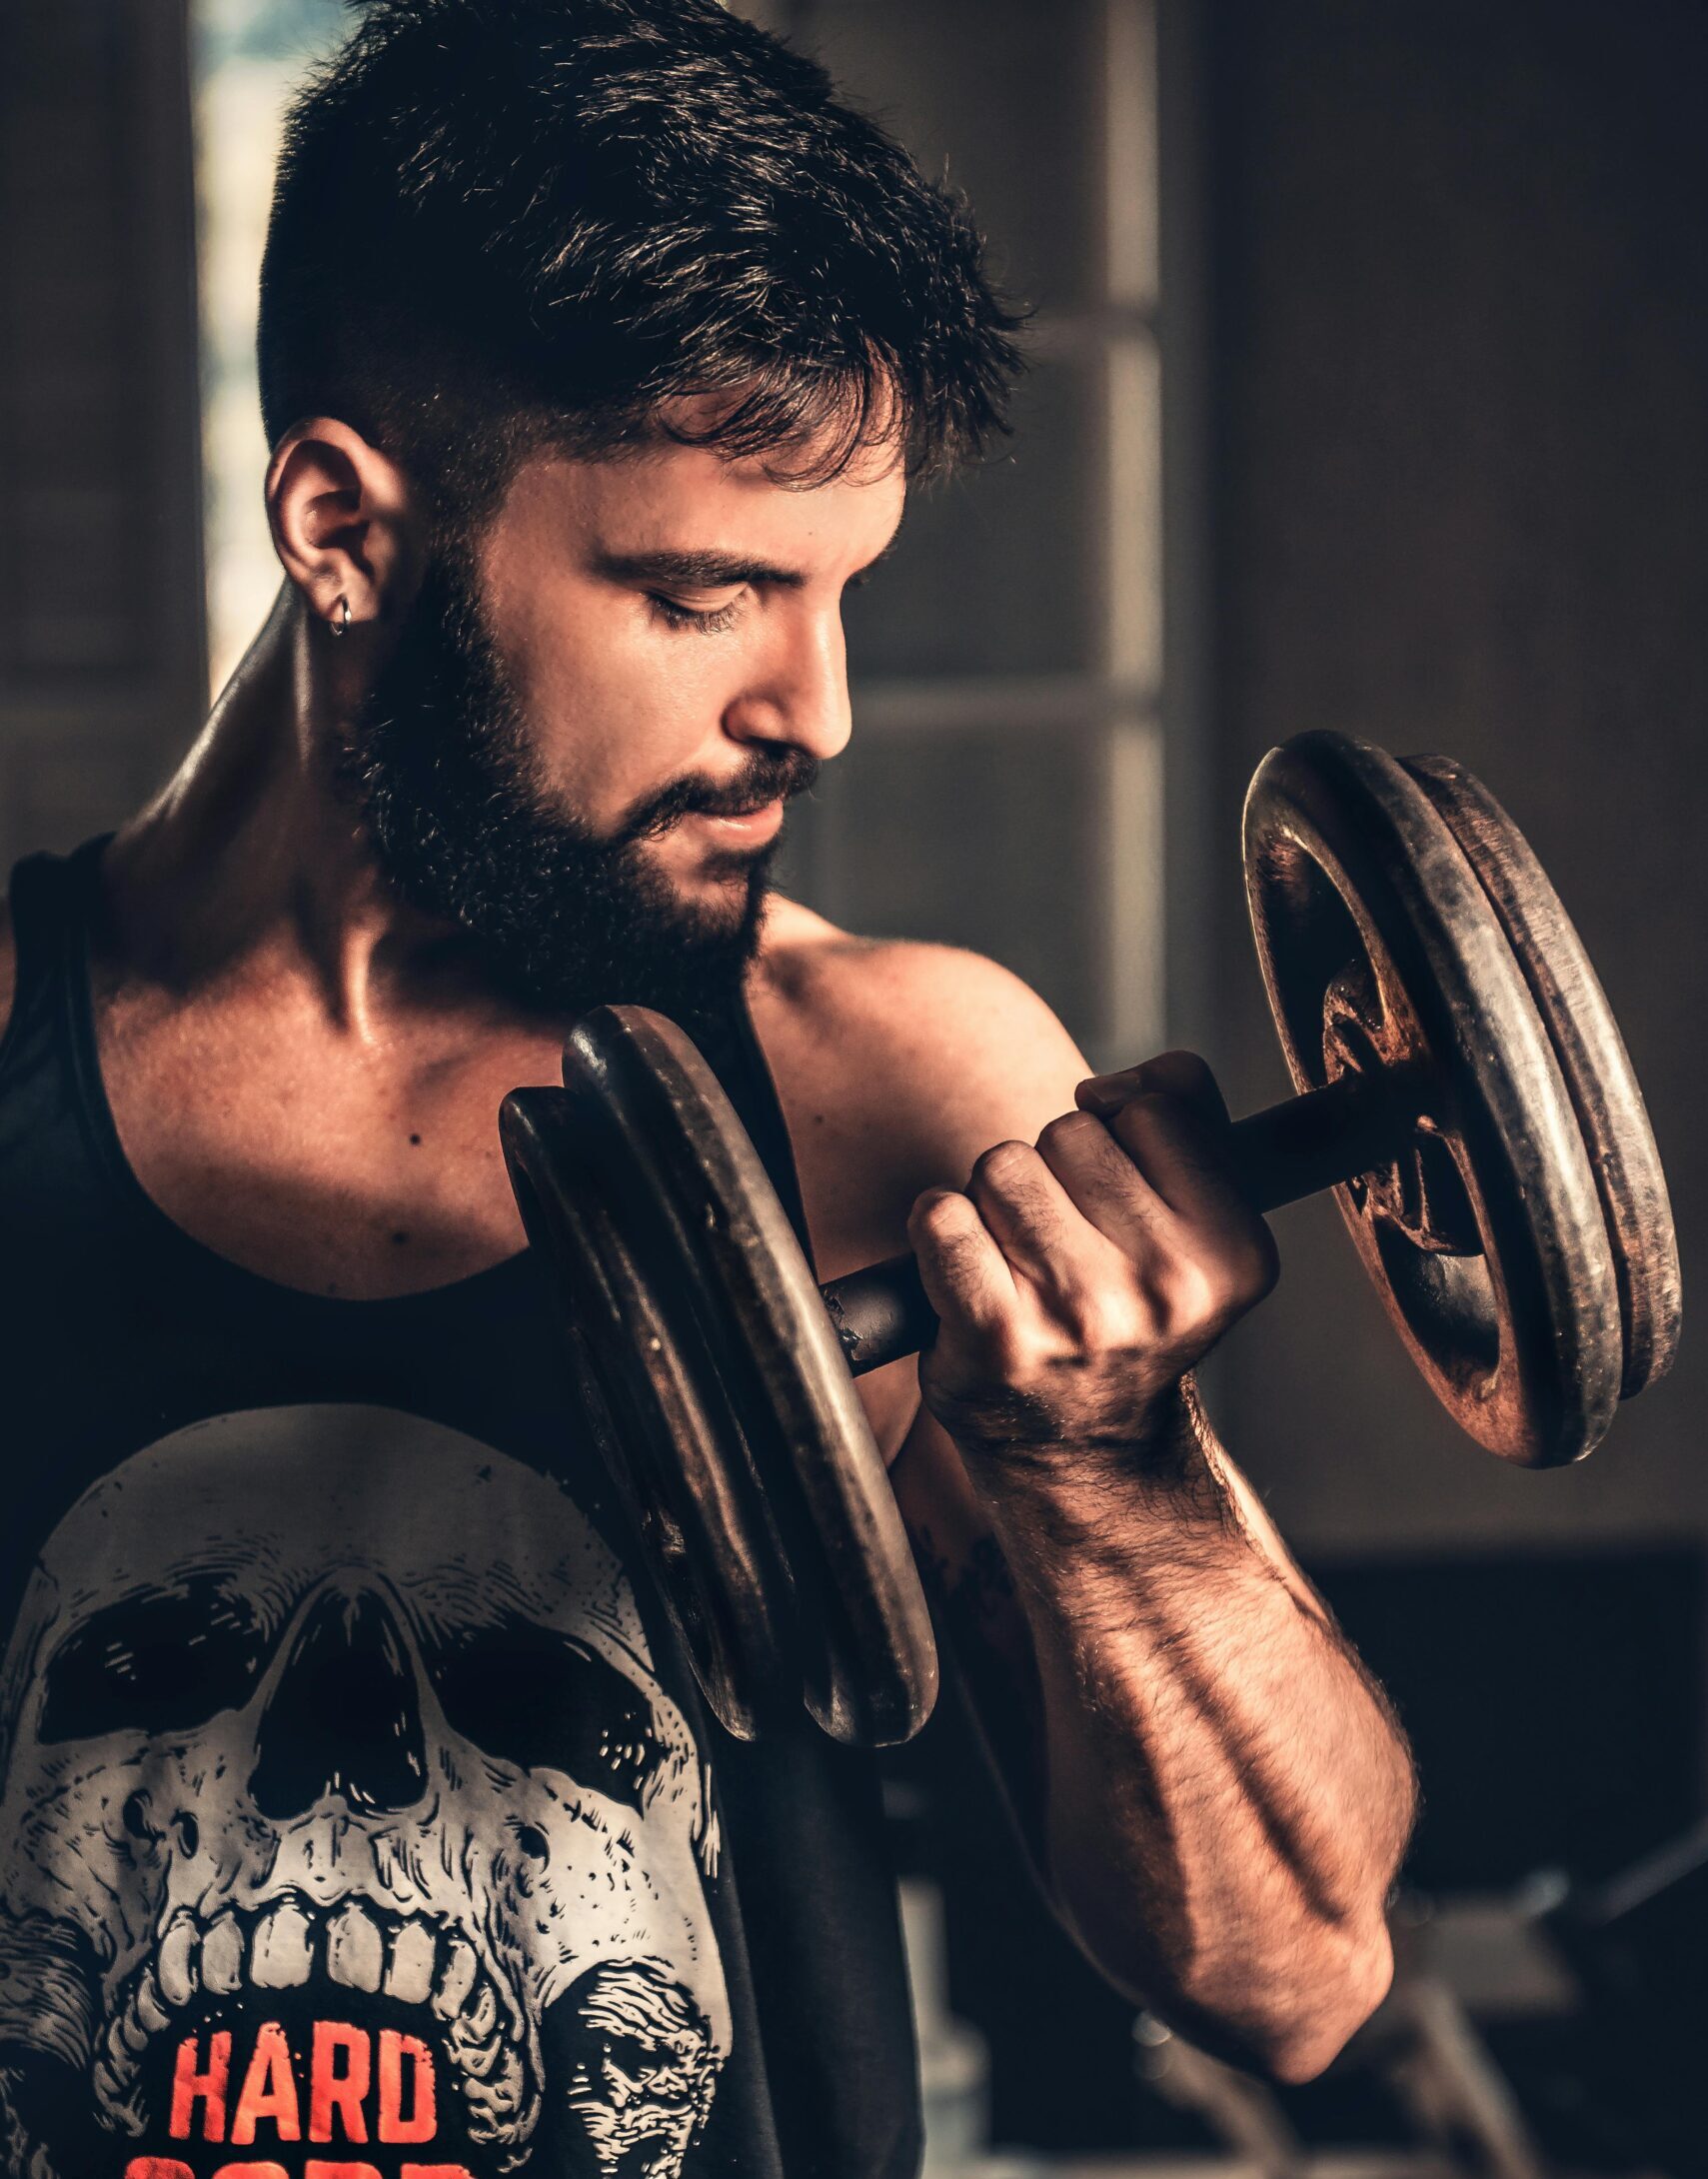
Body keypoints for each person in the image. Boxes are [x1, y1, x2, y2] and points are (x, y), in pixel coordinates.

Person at [0, 3, 1414, 2174]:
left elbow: (1293, 1974)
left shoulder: (889, 1086)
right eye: (707, 593)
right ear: (339, 525)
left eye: (840, 593)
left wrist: (1109, 1474)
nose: (816, 709)